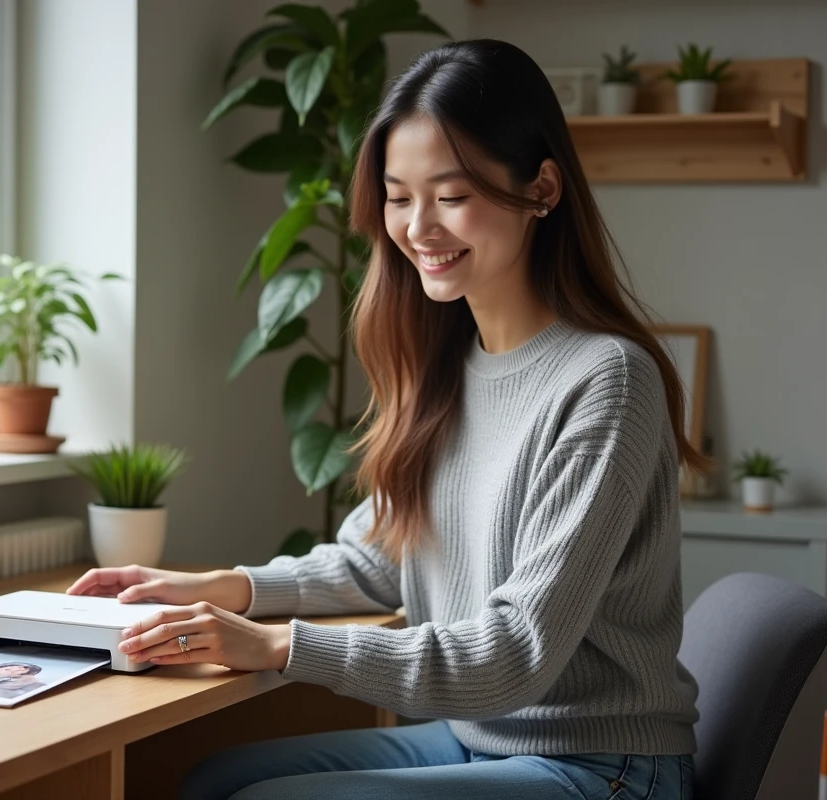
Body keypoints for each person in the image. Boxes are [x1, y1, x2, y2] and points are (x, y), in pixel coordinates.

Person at [67, 39, 704, 799]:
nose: (419, 227)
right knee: (208, 781)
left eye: (452, 193)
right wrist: (213, 588)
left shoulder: (606, 382)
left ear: (541, 189)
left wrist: (274, 645)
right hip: (481, 741)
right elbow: (379, 558)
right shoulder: (452, 364)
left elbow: (514, 653)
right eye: (399, 198)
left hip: (600, 764)